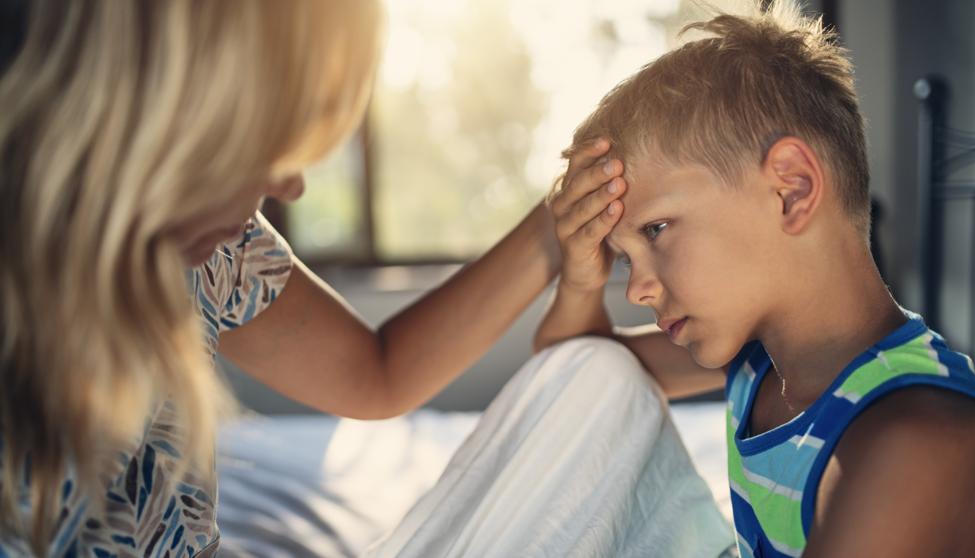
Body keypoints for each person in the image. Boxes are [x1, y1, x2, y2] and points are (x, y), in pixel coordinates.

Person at [0, 0, 614, 555]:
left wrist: (562, 216)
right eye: (267, 140)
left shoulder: (216, 251)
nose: (291, 185)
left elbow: (376, 374)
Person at [536, 1, 975, 556]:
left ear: (791, 190)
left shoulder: (916, 440)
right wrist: (580, 279)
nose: (636, 290)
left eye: (655, 230)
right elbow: (574, 374)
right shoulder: (757, 363)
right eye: (625, 259)